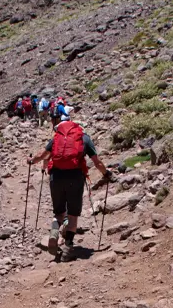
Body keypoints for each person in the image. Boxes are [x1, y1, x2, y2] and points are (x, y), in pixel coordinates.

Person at [29, 112, 114, 261]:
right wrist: (106, 174)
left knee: (59, 213)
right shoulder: (84, 138)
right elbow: (97, 162)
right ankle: (68, 247)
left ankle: (54, 232)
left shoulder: (56, 137)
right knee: (73, 215)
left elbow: (42, 155)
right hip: (75, 178)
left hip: (56, 177)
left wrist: (31, 161)